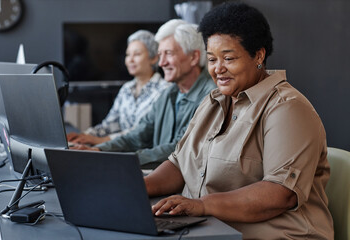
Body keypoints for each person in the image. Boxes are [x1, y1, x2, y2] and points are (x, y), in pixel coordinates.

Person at [146, 2, 334, 239]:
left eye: (229, 58)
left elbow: (281, 193)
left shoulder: (287, 107)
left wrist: (202, 205)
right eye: (212, 59)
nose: (218, 69)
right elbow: (179, 165)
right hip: (211, 230)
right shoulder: (213, 102)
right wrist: (139, 187)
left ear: (259, 55)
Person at [73, 19, 216, 167]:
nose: (161, 63)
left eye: (168, 53)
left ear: (194, 57)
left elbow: (178, 147)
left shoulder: (211, 96)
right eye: (160, 54)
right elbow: (138, 135)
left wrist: (118, 160)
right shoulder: (169, 93)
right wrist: (99, 150)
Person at [67, 30, 170, 146]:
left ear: (154, 58)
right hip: (116, 148)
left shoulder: (165, 90)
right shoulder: (126, 88)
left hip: (142, 155)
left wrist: (103, 140)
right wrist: (85, 135)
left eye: (137, 54)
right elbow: (111, 124)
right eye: (127, 55)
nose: (130, 60)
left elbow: (143, 134)